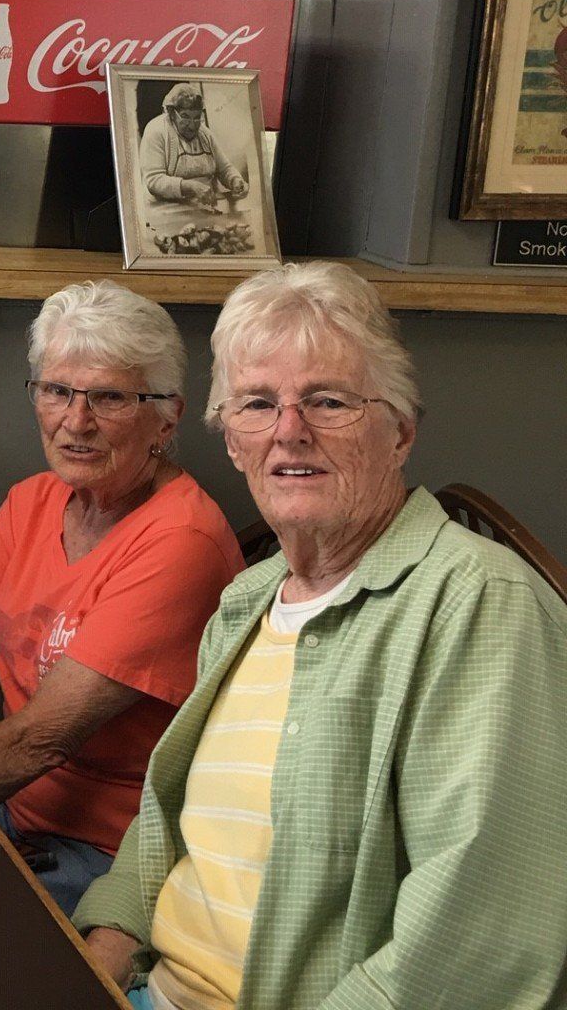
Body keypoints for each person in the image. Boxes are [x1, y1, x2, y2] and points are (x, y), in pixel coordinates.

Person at [76, 262, 567, 1010]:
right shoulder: (246, 601)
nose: (289, 432)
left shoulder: (477, 604)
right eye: (258, 405)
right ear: (234, 442)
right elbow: (166, 826)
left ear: (400, 432)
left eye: (328, 402)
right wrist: (99, 950)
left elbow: (477, 944)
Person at [0, 281, 242, 914]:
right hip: (10, 812)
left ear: (167, 414)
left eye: (109, 397)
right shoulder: (32, 501)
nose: (75, 421)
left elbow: (40, 740)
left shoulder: (181, 542)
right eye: (57, 391)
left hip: (107, 854)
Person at [140, 83, 248, 209]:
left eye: (197, 118)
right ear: (171, 113)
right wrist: (190, 186)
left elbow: (224, 168)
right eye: (185, 117)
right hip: (165, 209)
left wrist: (234, 180)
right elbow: (154, 180)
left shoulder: (205, 134)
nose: (192, 126)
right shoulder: (156, 131)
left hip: (203, 207)